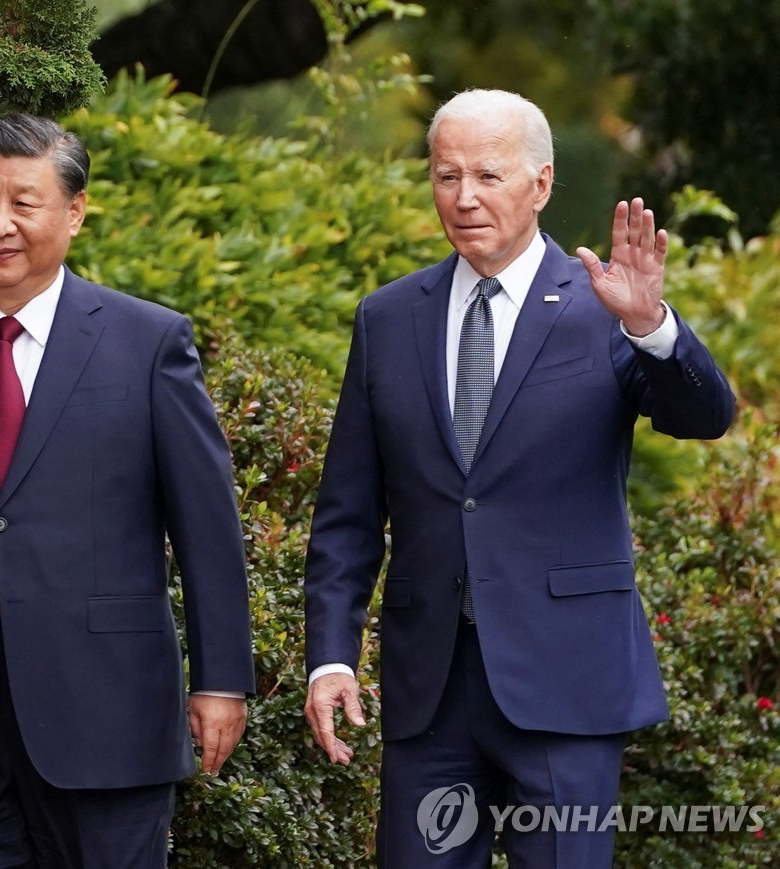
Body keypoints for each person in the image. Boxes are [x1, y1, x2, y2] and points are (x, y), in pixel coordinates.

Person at [302, 89, 735, 868]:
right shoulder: (388, 317)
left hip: (566, 684)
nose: (464, 197)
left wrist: (651, 326)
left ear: (540, 184)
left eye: (488, 176)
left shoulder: (604, 309)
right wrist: (332, 656)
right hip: (429, 690)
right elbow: (347, 514)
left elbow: (704, 416)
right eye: (445, 176)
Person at [0, 113, 255, 868]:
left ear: (74, 212)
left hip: (110, 721)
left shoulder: (149, 343)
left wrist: (222, 677)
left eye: (23, 203)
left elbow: (208, 528)